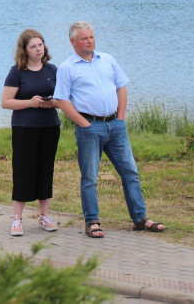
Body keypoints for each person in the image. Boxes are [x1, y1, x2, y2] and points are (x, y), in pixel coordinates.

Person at [53, 21, 166, 238]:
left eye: (92, 37)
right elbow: (61, 100)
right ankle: (92, 222)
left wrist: (121, 118)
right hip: (89, 127)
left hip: (115, 125)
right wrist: (84, 124)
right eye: (85, 38)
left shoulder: (107, 60)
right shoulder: (67, 68)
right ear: (73, 42)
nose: (90, 41)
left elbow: (120, 86)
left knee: (130, 172)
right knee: (90, 177)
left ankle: (140, 218)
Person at [0, 29, 60, 236]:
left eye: (40, 45)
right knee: (24, 170)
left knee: (46, 169)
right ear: (24, 50)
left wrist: (50, 103)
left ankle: (44, 215)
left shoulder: (53, 70)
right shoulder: (17, 71)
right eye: (33, 46)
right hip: (24, 128)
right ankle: (17, 219)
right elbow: (6, 102)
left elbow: (62, 100)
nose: (38, 49)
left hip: (50, 127)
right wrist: (30, 103)